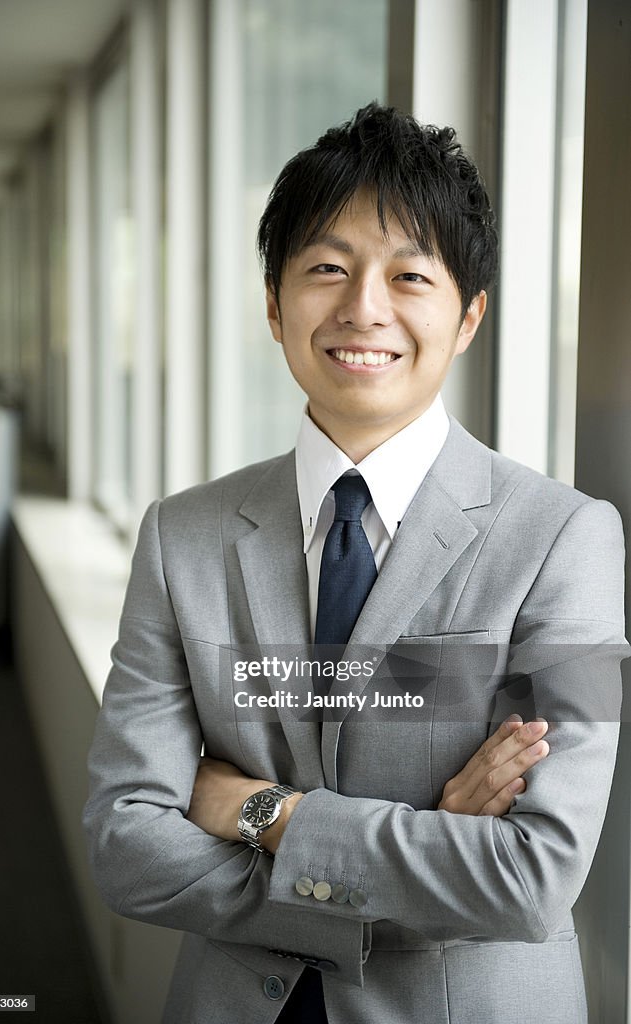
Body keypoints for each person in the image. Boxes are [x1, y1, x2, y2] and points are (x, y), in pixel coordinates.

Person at [83, 103, 627, 1023]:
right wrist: (416, 868)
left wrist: (264, 814)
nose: (362, 307)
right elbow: (126, 842)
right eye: (326, 268)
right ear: (273, 303)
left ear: (467, 317)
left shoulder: (563, 539)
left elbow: (533, 880)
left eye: (409, 274)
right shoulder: (183, 537)